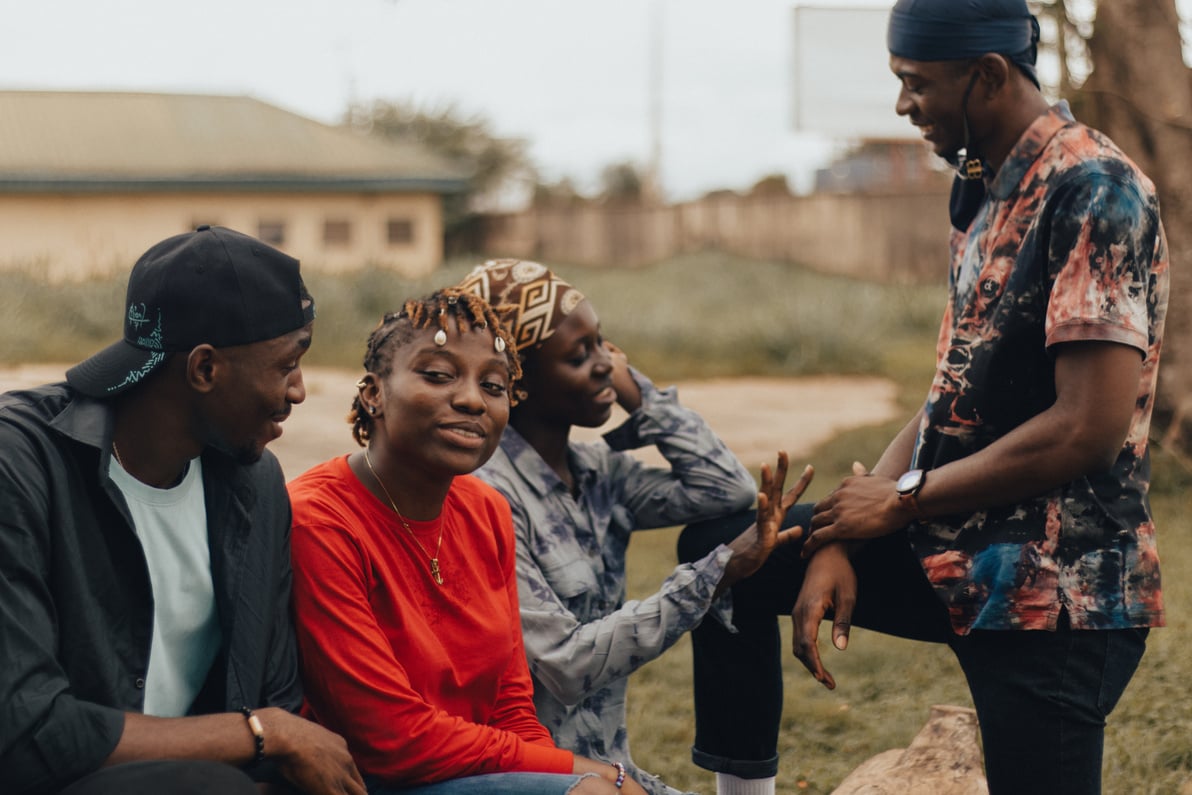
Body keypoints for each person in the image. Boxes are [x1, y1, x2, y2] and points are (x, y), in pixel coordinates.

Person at [679, 2, 1170, 793]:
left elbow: (1088, 428)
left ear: (987, 75)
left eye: (916, 83)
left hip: (1055, 586)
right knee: (726, 554)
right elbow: (952, 387)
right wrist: (847, 524)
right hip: (952, 542)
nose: (904, 104)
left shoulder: (1095, 189)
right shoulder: (986, 184)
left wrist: (900, 502)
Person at [290, 288, 734, 794]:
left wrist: (574, 773)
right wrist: (587, 775)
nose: (471, 399)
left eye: (494, 385)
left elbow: (511, 705)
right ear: (373, 393)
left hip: (476, 771)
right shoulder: (321, 520)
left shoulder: (485, 510)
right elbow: (393, 738)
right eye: (437, 375)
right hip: (373, 781)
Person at [0, 225, 365, 795]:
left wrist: (269, 735)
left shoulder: (255, 482)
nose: (298, 391)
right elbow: (26, 729)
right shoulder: (20, 466)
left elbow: (276, 695)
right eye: (288, 364)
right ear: (203, 369)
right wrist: (259, 733)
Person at [457, 259, 812, 795]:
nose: (604, 364)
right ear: (517, 382)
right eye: (580, 356)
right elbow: (565, 664)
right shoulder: (488, 496)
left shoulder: (597, 473)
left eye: (606, 345)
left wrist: (637, 392)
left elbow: (725, 490)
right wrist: (715, 575)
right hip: (540, 779)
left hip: (611, 769)